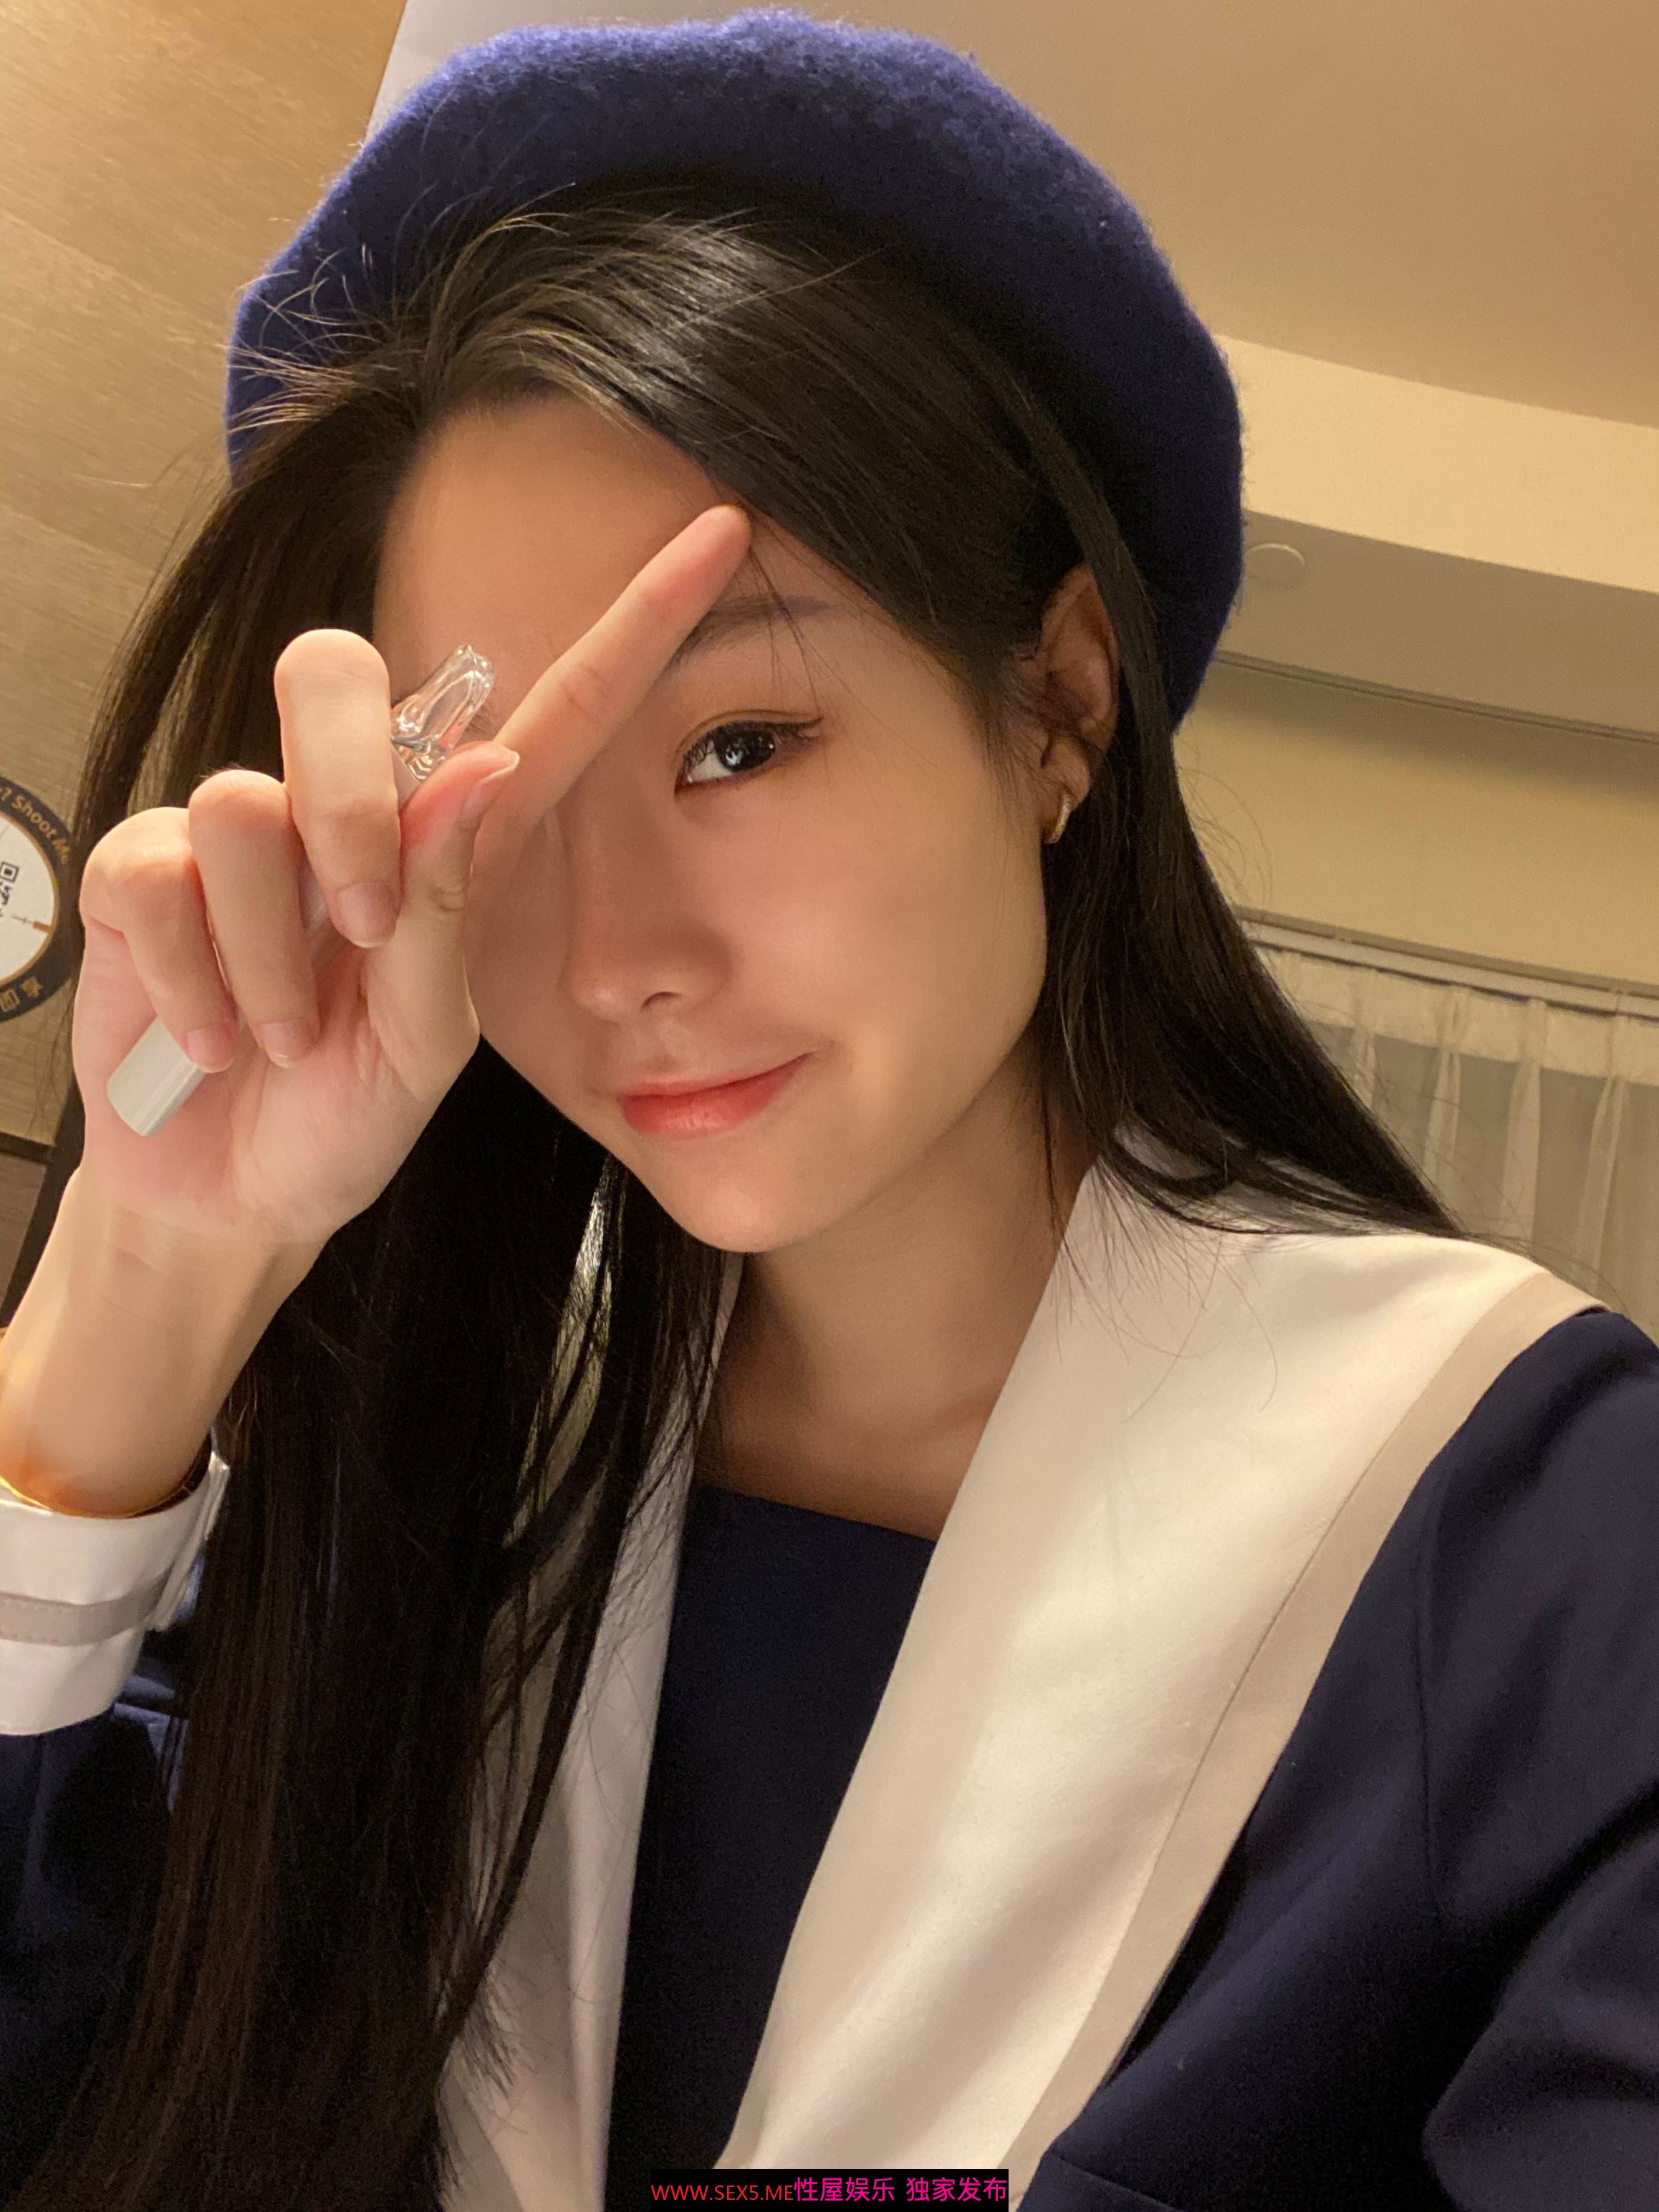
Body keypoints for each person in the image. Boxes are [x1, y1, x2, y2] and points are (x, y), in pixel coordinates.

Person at [2, 14, 1656, 2212]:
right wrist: (147, 1278)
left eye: (737, 745)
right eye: (497, 817)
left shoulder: (1526, 1522)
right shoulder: (410, 1454)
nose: (612, 956)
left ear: (1056, 704)